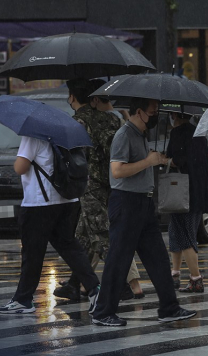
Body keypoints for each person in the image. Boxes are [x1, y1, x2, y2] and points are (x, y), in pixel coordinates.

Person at [91, 97, 196, 326]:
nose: (155, 116)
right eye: (152, 112)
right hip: (126, 202)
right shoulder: (124, 135)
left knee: (158, 258)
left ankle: (169, 307)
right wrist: (148, 161)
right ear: (138, 111)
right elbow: (117, 171)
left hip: (144, 203)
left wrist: (156, 160)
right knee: (118, 259)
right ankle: (103, 312)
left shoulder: (140, 135)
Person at [54, 78, 144, 302]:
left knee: (102, 237)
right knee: (82, 237)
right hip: (111, 182)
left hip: (89, 185)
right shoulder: (109, 119)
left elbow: (72, 156)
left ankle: (121, 284)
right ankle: (75, 284)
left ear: (73, 97)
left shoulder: (78, 122)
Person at [0, 132, 101, 314]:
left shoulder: (33, 136)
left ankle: (23, 299)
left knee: (32, 252)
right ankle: (95, 289)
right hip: (66, 200)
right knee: (70, 247)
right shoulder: (63, 135)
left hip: (39, 202)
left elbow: (20, 168)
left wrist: (18, 160)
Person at [165, 110, 208, 292]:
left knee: (185, 236)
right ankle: (175, 273)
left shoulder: (177, 133)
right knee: (175, 232)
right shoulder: (200, 134)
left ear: (175, 116)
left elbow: (176, 160)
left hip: (182, 193)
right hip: (199, 191)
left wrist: (164, 159)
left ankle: (196, 278)